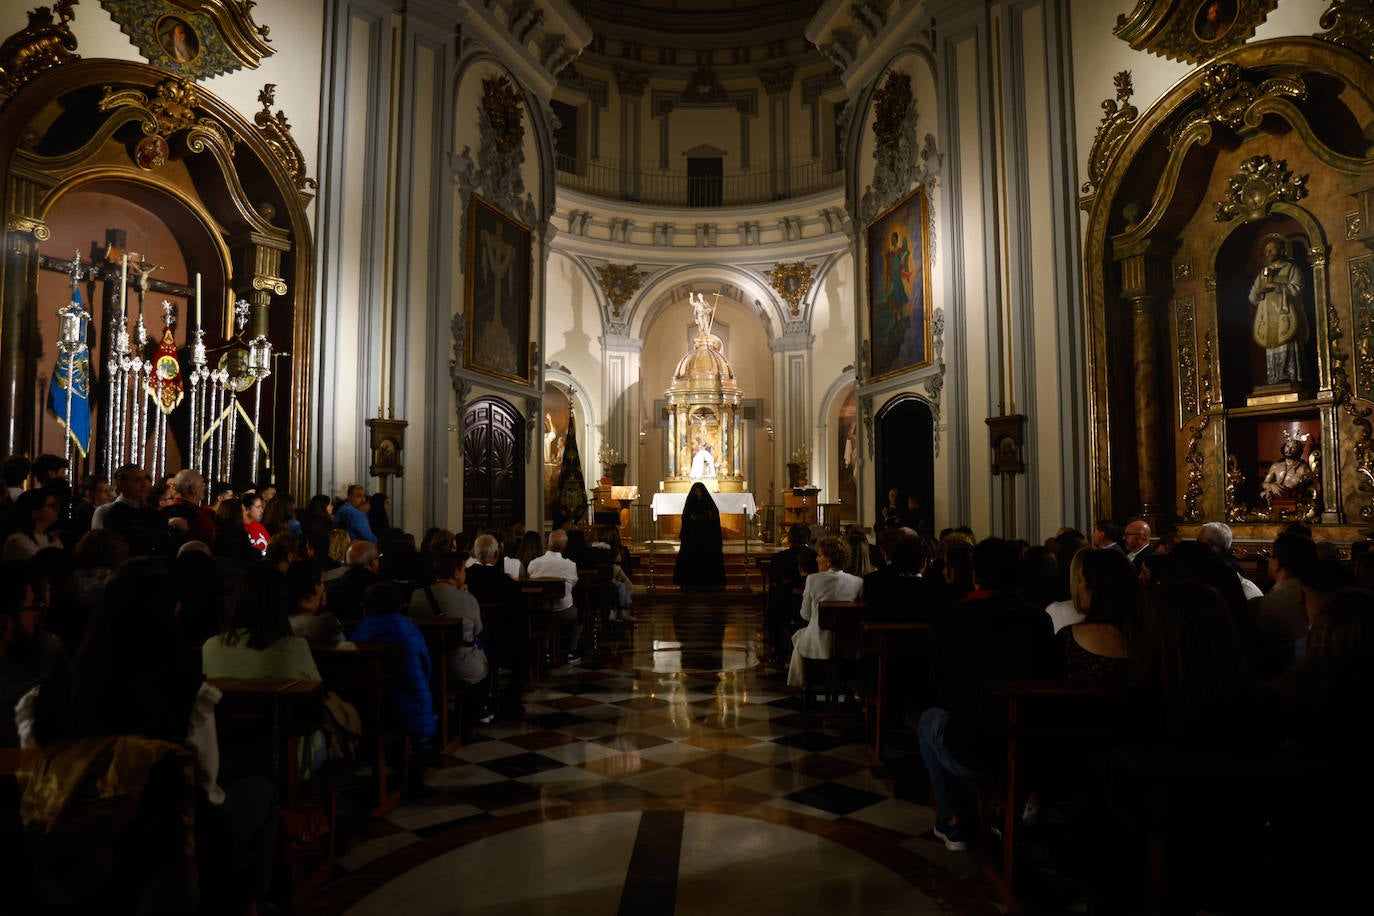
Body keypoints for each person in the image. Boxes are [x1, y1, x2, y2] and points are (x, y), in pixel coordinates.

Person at [919, 537, 1058, 851]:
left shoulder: (951, 618)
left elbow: (938, 682)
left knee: (929, 720)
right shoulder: (1038, 619)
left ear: (974, 575)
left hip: (973, 747)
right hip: (1029, 748)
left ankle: (954, 821)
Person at [786, 536, 864, 687]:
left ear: (829, 560)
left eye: (820, 555)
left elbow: (806, 615)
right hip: (848, 644)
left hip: (819, 642)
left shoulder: (813, 580)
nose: (816, 559)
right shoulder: (858, 582)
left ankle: (805, 684)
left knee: (798, 635)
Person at [1249, 236, 1308, 386]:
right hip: (1268, 319)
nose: (1268, 252)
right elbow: (1252, 297)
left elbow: (1298, 288)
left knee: (1287, 345)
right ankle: (1275, 378)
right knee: (1272, 347)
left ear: (1282, 250)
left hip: (1286, 315)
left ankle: (1291, 377)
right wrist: (1259, 291)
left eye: (1272, 249)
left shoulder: (1291, 268)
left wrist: (1278, 287)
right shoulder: (1263, 273)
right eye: (1266, 250)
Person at [527, 528, 582, 664]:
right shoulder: (570, 565)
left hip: (541, 609)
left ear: (548, 543)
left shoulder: (534, 563)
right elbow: (573, 584)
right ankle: (571, 651)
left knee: (546, 619)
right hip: (564, 610)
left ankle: (545, 650)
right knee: (580, 615)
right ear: (564, 546)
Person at [673, 482, 725, 591]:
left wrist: (702, 518)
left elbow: (714, 516)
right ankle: (689, 581)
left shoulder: (709, 503)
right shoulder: (690, 502)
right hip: (693, 538)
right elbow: (686, 517)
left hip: (707, 538)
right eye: (696, 491)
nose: (698, 493)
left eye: (700, 491)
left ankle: (710, 582)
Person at [3, 489, 62, 561]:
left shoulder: (52, 538)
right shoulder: (18, 541)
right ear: (35, 513)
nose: (57, 509)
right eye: (52, 505)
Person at [1261, 435, 1315, 501]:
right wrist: (1272, 486)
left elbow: (1292, 487)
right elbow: (1265, 483)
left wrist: (1272, 490)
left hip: (1291, 498)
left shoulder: (1302, 468)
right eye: (1287, 446)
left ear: (1299, 450)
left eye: (1293, 448)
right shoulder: (1276, 466)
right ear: (1284, 447)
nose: (1289, 450)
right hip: (1274, 498)